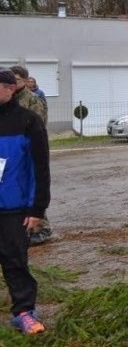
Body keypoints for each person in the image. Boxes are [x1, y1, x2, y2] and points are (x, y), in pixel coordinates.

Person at [0, 67, 50, 334]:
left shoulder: (28, 121)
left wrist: (37, 207)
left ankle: (24, 312)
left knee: (15, 261)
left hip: (14, 207)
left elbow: (40, 167)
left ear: (10, 88)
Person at [10, 66, 51, 246]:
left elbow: (38, 126)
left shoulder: (33, 100)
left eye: (17, 80)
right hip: (13, 152)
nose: (13, 83)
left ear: (26, 81)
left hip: (29, 150)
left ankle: (41, 227)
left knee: (33, 187)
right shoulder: (9, 100)